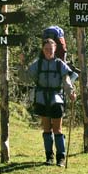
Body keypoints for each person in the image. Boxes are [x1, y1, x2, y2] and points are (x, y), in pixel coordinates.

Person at [19, 38, 77, 167]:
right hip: (42, 99)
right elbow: (26, 79)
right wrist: (21, 64)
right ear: (42, 50)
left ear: (55, 49)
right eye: (46, 49)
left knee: (57, 129)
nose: (48, 51)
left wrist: (70, 92)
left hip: (57, 99)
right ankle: (49, 157)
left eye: (51, 49)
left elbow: (67, 80)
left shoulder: (59, 64)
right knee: (46, 128)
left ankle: (60, 158)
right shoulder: (38, 64)